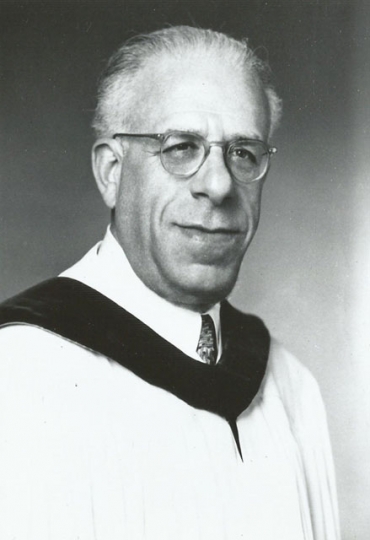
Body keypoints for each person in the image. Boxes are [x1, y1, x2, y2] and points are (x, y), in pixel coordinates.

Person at [0, 26, 339, 540]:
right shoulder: (23, 378)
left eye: (243, 153)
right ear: (112, 172)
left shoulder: (291, 390)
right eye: (181, 147)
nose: (220, 184)